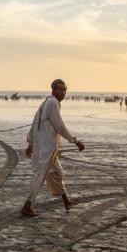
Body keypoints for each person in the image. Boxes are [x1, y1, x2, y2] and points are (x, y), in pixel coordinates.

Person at [21, 79, 85, 217]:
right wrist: (75, 141)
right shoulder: (53, 103)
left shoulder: (45, 103)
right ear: (53, 91)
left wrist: (31, 144)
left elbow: (34, 122)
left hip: (45, 147)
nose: (62, 92)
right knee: (40, 176)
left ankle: (66, 201)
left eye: (64, 90)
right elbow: (59, 126)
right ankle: (27, 205)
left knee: (58, 174)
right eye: (60, 90)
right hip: (47, 148)